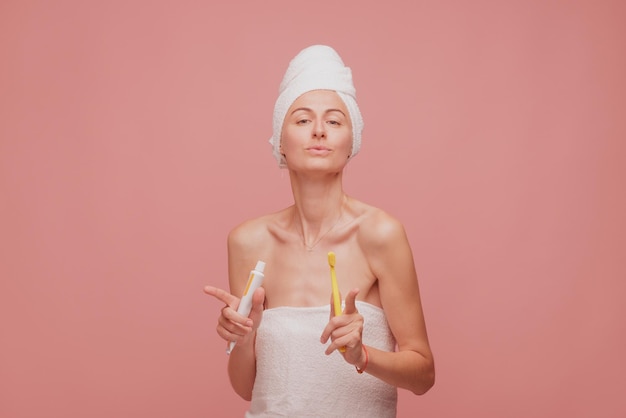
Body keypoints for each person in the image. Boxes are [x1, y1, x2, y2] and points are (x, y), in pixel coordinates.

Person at [204, 44, 435, 417]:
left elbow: (423, 375)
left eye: (333, 120)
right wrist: (243, 340)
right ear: (279, 142)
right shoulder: (247, 241)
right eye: (301, 119)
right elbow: (246, 387)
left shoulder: (381, 234)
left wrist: (363, 356)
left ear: (352, 141)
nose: (318, 131)